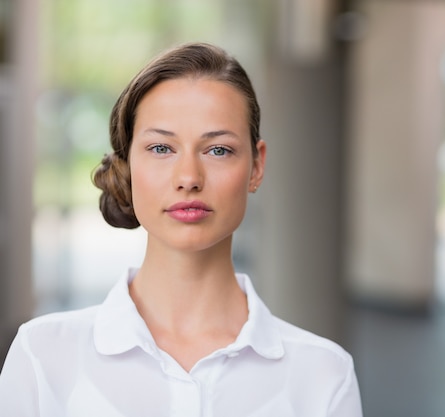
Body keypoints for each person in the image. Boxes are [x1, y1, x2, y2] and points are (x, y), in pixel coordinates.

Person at [0, 42, 362, 416]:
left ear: (256, 166)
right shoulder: (42, 356)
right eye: (160, 148)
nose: (188, 178)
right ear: (128, 165)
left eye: (218, 150)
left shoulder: (324, 375)